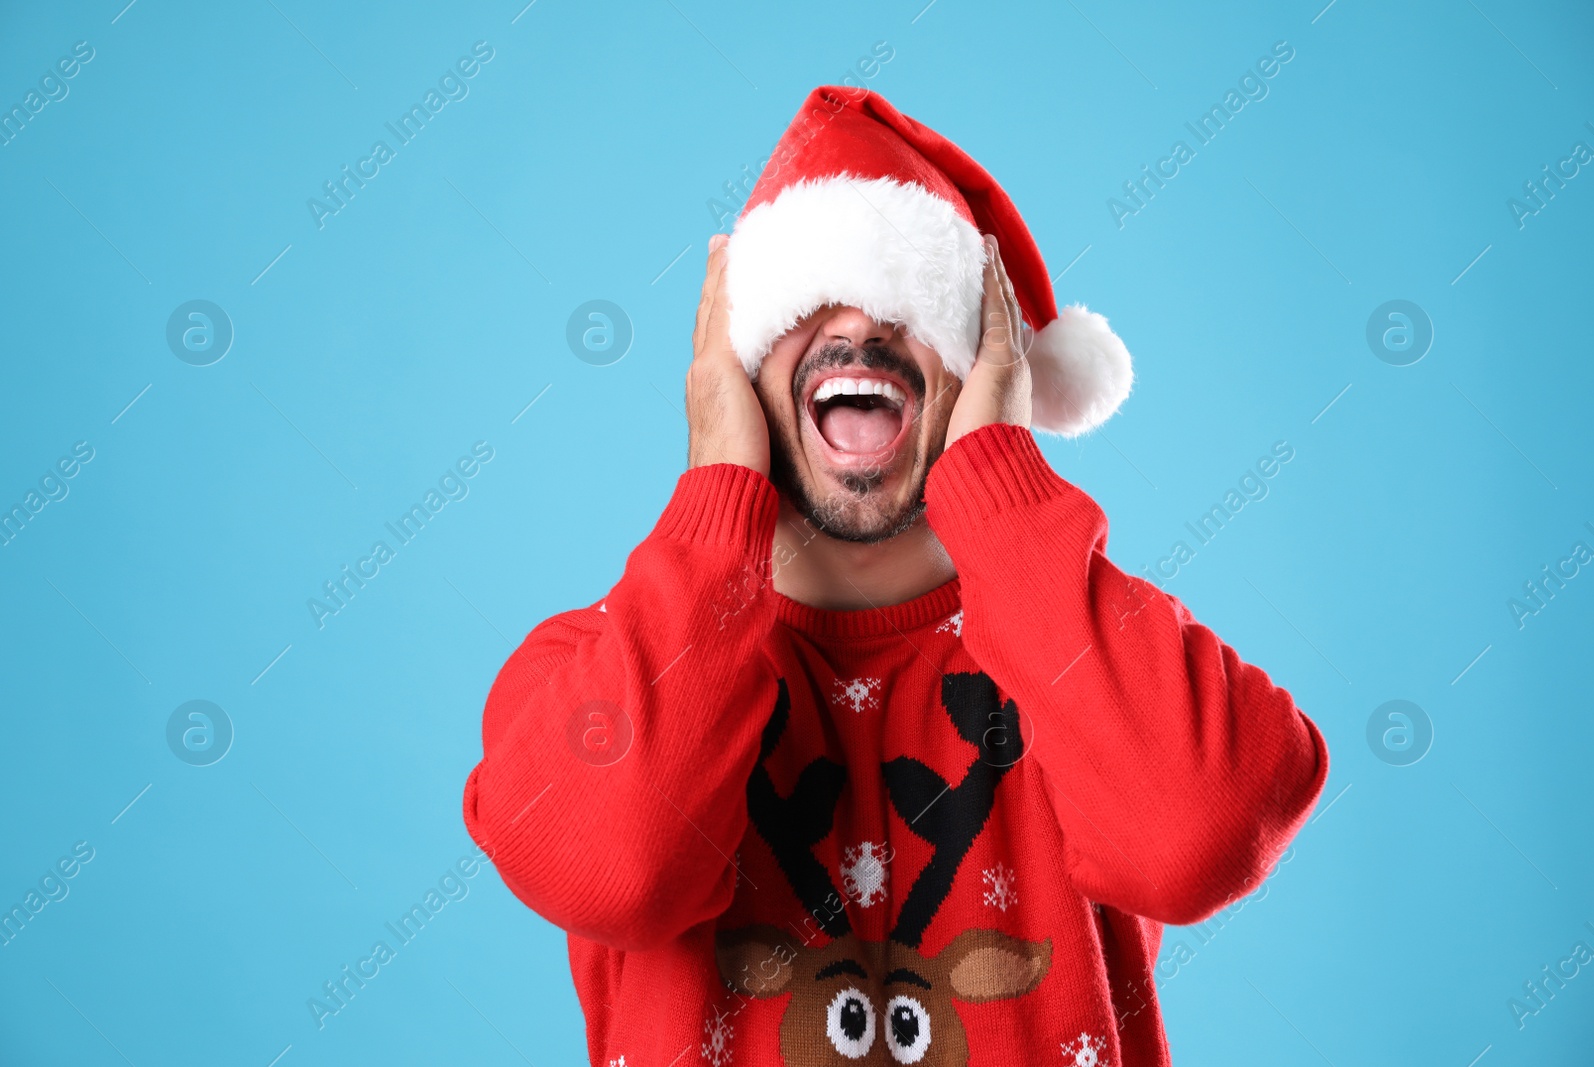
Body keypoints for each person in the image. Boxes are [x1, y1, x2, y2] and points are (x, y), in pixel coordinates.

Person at [463, 86, 1328, 1067]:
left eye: (914, 299)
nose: (863, 321)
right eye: (805, 297)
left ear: (983, 365)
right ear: (735, 365)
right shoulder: (588, 668)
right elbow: (616, 871)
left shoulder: (1088, 653)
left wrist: (1000, 488)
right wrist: (715, 496)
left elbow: (1197, 835)